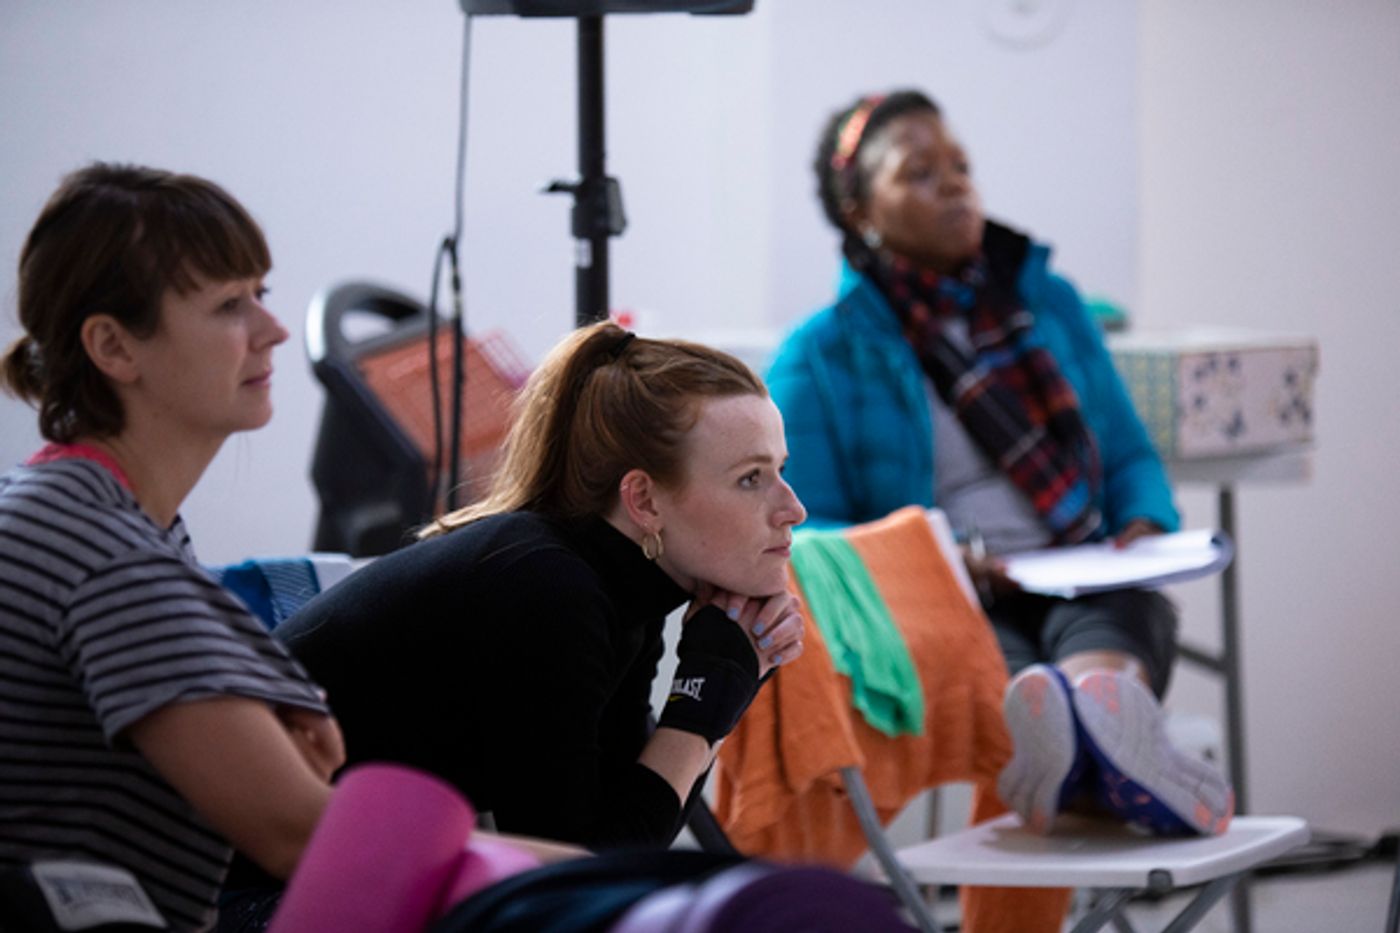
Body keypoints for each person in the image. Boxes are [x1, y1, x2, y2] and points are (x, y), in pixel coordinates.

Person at [766, 89, 1233, 837]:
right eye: (920, 172)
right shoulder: (818, 354)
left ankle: (1090, 720)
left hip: (1079, 561)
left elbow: (1127, 453)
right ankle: (1092, 749)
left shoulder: (1049, 304)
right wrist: (932, 558)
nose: (955, 183)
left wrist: (1144, 522)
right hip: (953, 595)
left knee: (1129, 602)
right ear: (860, 210)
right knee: (987, 653)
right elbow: (801, 526)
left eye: (960, 164)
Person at [276, 321, 808, 850]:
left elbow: (621, 834)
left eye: (781, 470)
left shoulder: (621, 586)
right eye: (750, 478)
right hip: (241, 891)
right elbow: (571, 881)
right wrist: (700, 711)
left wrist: (717, 690)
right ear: (644, 502)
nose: (794, 510)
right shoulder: (548, 591)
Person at [0, 163, 344, 932]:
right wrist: (611, 883)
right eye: (229, 303)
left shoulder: (92, 511)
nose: (274, 328)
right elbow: (305, 831)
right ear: (114, 347)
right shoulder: (104, 552)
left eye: (261, 292)